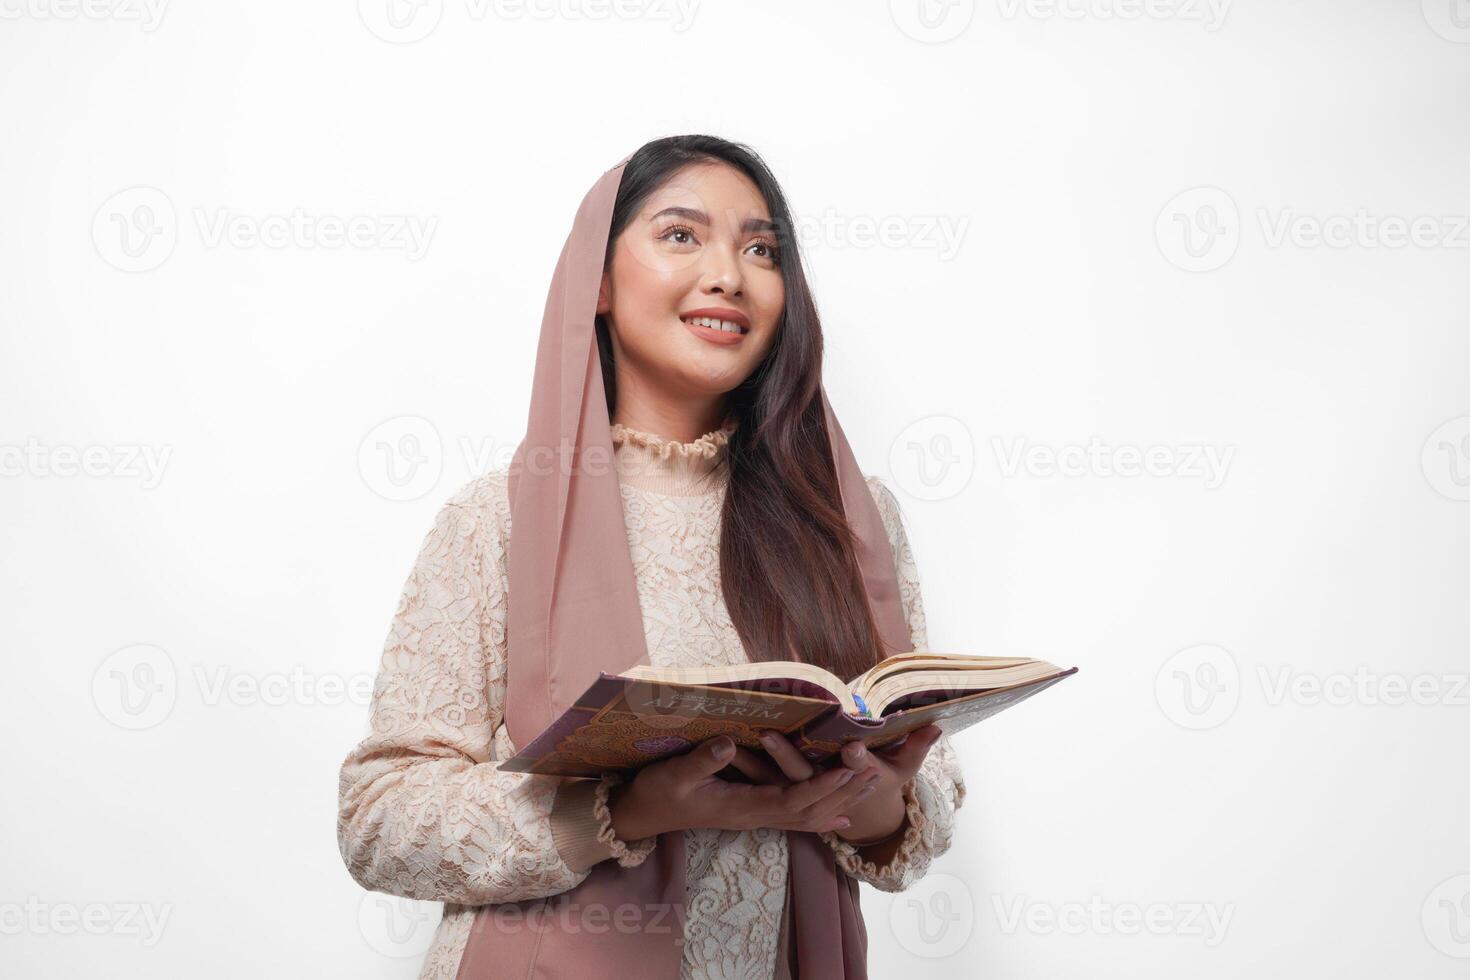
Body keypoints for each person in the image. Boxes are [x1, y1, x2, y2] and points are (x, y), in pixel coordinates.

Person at [336, 135, 967, 980]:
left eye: (761, 248)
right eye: (681, 235)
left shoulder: (848, 519)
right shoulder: (501, 520)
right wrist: (623, 812)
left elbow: (929, 784)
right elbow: (379, 818)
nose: (729, 275)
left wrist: (885, 807)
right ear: (596, 281)